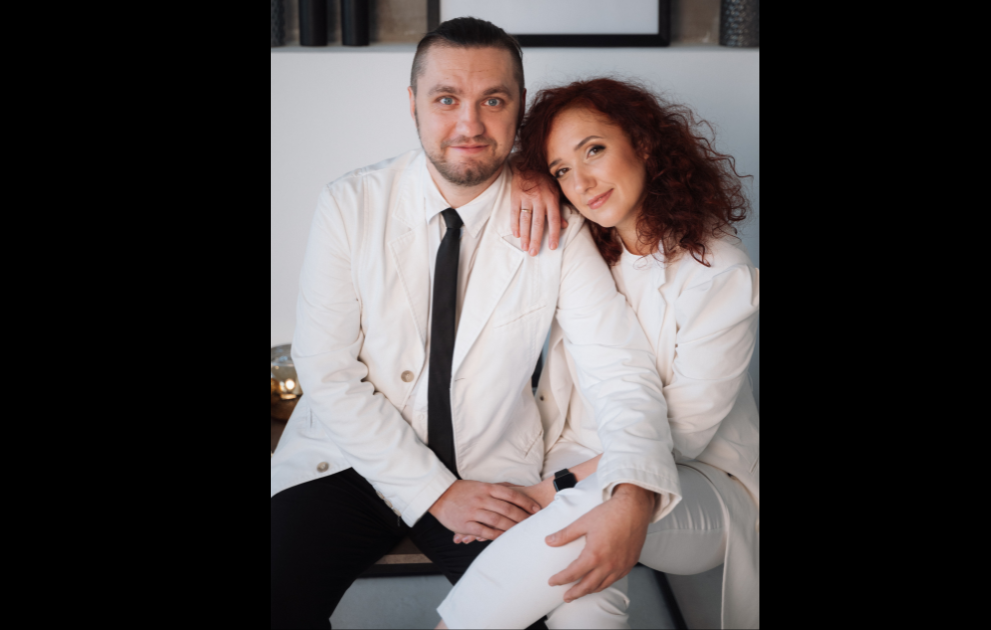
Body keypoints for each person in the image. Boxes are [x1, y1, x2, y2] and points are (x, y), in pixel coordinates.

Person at [269, 20, 685, 630]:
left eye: (494, 101)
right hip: (350, 461)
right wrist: (436, 493)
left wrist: (635, 492)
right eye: (446, 100)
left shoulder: (559, 225)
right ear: (412, 103)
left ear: (519, 113)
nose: (469, 125)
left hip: (493, 475)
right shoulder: (350, 205)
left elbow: (621, 369)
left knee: (542, 613)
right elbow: (328, 372)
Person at [435, 78, 761, 630]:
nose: (581, 182)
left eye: (594, 150)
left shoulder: (720, 272)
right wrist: (532, 179)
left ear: (644, 143)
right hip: (571, 463)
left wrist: (549, 490)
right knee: (582, 593)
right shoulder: (582, 245)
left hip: (700, 486)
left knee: (587, 510)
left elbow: (681, 436)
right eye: (562, 169)